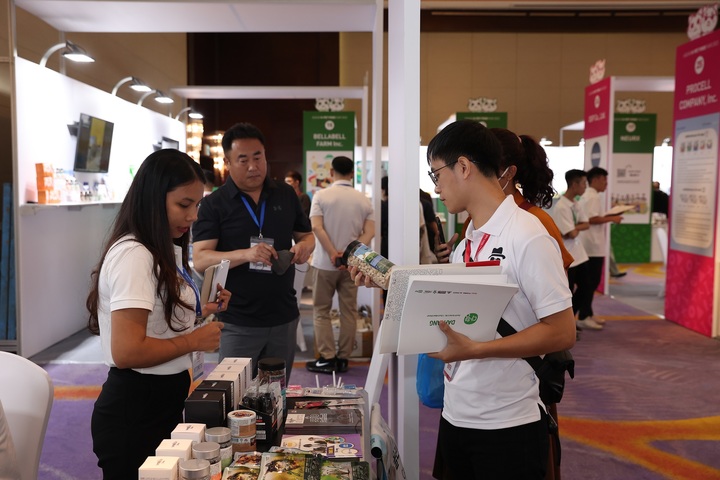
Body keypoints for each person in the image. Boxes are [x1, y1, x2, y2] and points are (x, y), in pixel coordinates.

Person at [354, 120, 575, 479]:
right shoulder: (466, 242)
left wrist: (473, 350)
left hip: (508, 423)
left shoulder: (528, 235)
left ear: (464, 167)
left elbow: (562, 332)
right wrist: (390, 286)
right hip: (458, 414)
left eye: (436, 174)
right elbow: (454, 315)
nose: (435, 187)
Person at [87, 149, 229, 479]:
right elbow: (128, 351)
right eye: (183, 205)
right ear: (153, 198)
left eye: (197, 205)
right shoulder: (135, 255)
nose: (192, 216)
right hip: (135, 410)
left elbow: (155, 323)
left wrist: (198, 314)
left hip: (156, 402)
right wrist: (194, 339)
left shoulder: (158, 248)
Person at [192, 123, 315, 383]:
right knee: (235, 400)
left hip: (283, 316)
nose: (253, 166)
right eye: (243, 159)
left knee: (276, 397)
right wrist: (246, 255)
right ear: (227, 162)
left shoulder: (285, 194)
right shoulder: (214, 204)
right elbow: (202, 258)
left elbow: (306, 235)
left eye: (258, 157)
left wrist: (306, 246)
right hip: (237, 320)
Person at [441, 128, 573, 273]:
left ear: (509, 172)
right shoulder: (472, 222)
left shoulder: (537, 220)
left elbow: (556, 287)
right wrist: (453, 261)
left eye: (487, 170)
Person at [305, 156, 374, 374]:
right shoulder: (363, 199)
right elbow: (369, 232)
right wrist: (348, 253)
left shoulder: (321, 196)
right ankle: (344, 358)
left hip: (324, 263)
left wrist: (333, 253)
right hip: (351, 266)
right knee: (349, 311)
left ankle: (327, 358)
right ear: (352, 173)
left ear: (332, 172)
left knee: (321, 311)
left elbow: (316, 228)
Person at [576, 166, 623, 330]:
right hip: (592, 246)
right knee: (590, 283)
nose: (606, 184)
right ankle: (582, 315)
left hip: (589, 244)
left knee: (588, 283)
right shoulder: (592, 197)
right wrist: (612, 218)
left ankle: (586, 312)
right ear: (594, 180)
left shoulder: (589, 196)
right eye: (604, 180)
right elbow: (592, 219)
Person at [550, 169, 591, 322]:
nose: (585, 187)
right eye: (583, 184)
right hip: (568, 256)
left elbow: (585, 224)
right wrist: (576, 228)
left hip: (579, 254)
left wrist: (575, 227)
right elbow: (571, 233)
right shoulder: (562, 207)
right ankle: (568, 323)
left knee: (586, 287)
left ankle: (572, 320)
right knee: (568, 291)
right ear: (574, 184)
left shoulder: (575, 203)